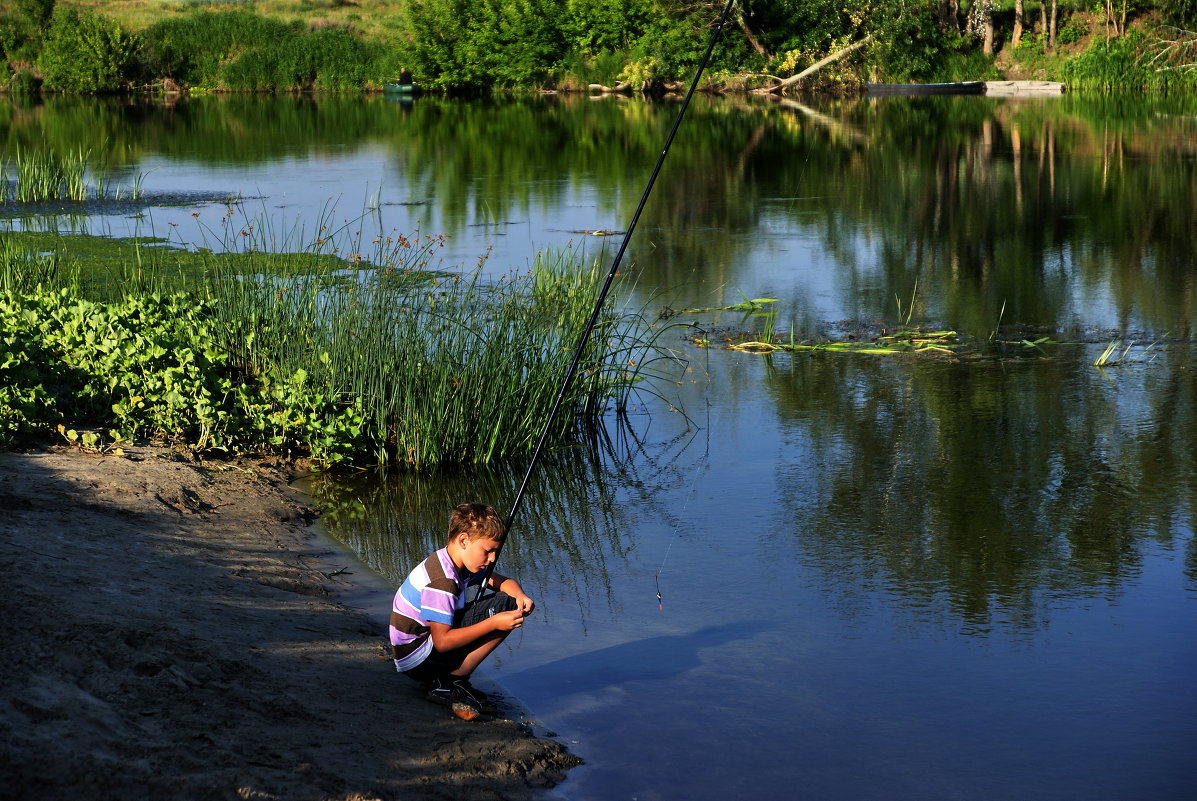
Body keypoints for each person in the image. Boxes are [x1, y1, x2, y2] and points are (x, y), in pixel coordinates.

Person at [389, 502, 535, 721]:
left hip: (420, 649)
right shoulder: (443, 581)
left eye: (496, 551)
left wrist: (520, 595)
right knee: (505, 609)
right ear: (464, 540)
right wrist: (494, 623)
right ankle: (451, 682)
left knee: (512, 602)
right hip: (418, 659)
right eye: (488, 551)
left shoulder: (453, 559)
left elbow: (502, 581)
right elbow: (443, 643)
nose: (493, 559)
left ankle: (451, 679)